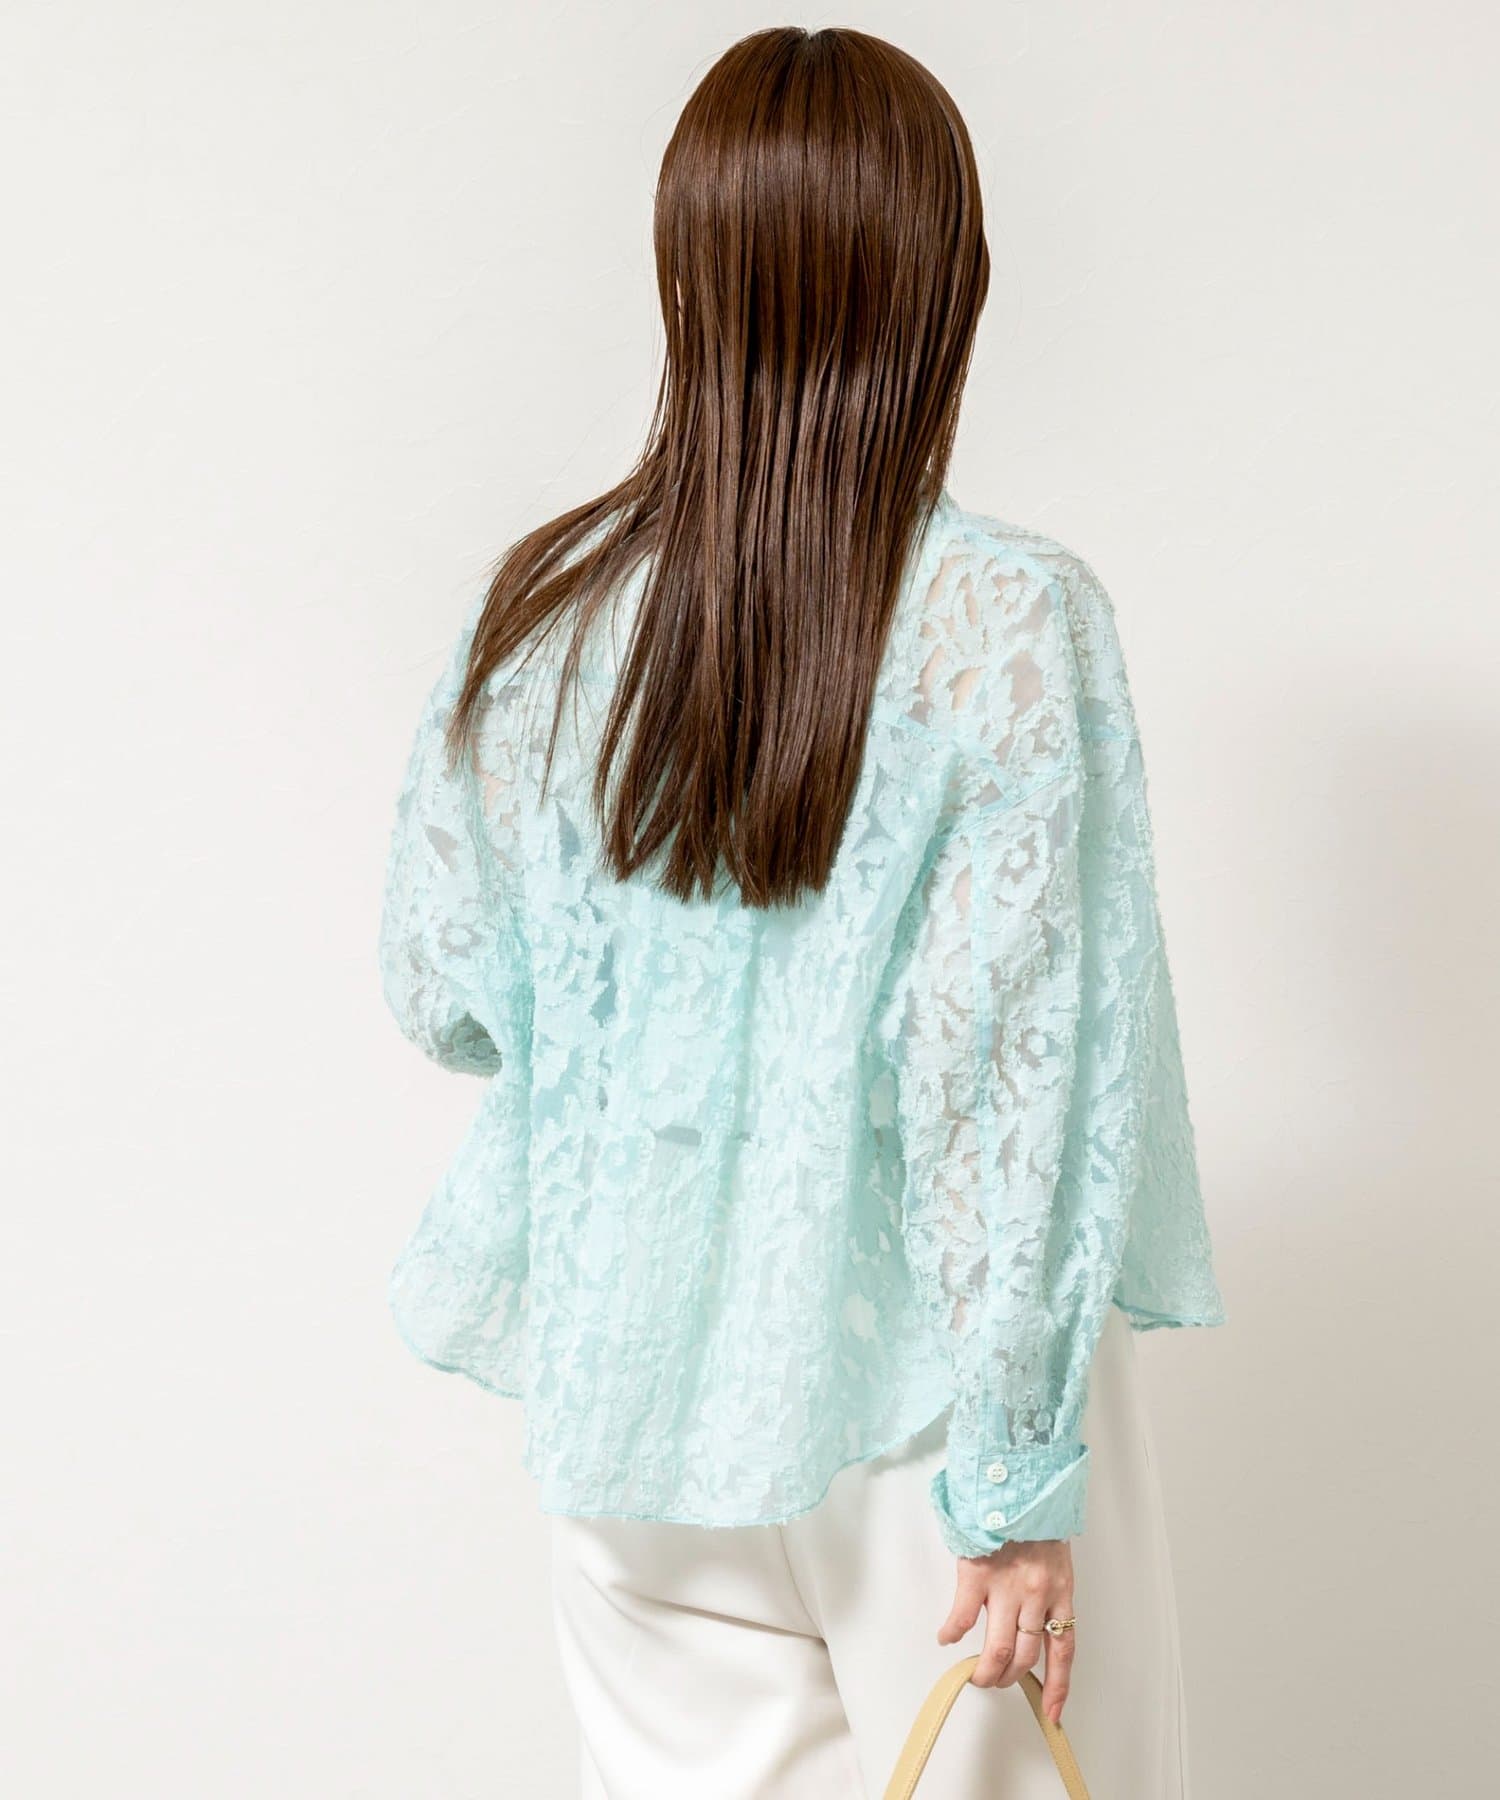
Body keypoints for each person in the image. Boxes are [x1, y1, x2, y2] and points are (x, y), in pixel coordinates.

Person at [377, 24, 1224, 1799]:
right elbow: (1001, 1078)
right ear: (948, 284)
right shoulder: (1007, 624)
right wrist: (1019, 1477)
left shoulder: (540, 617)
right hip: (929, 1424)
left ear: (685, 277)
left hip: (635, 1408)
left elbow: (444, 991)